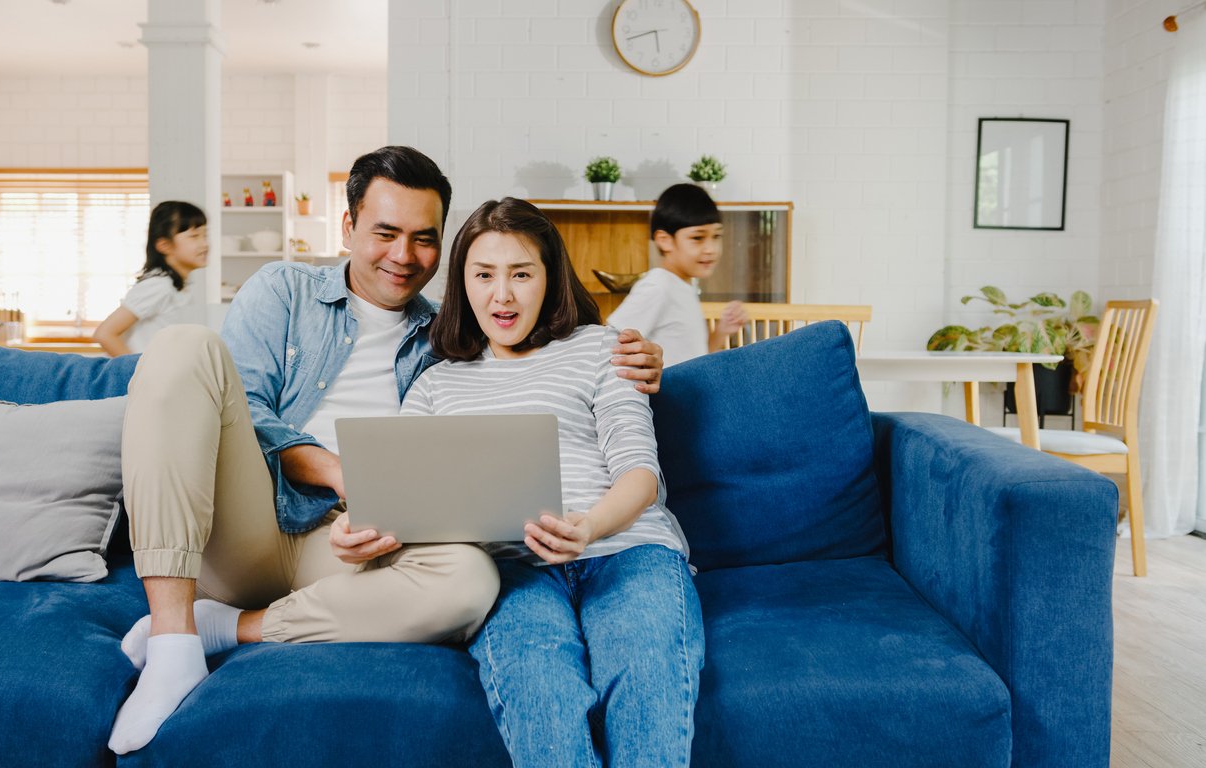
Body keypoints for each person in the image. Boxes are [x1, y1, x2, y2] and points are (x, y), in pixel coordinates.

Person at [107, 147, 667, 755]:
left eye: (424, 239)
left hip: (360, 549)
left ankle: (223, 629)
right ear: (348, 227)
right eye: (385, 233)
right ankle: (171, 643)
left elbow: (482, 426)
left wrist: (645, 358)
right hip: (252, 523)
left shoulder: (451, 339)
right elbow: (243, 413)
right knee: (184, 347)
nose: (404, 256)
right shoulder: (284, 291)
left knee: (474, 579)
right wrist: (341, 475)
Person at [401, 197, 703, 767]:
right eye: (484, 275)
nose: (503, 294)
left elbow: (640, 473)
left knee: (646, 676)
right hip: (511, 571)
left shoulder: (603, 348)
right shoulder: (434, 387)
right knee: (542, 694)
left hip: (628, 551)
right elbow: (413, 504)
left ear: (550, 277)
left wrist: (587, 526)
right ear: (461, 283)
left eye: (521, 273)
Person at [607, 183, 747, 365]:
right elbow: (609, 344)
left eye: (716, 236)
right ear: (665, 241)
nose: (710, 249)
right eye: (697, 238)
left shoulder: (682, 286)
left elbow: (695, 360)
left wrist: (721, 331)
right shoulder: (658, 286)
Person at [94, 201, 207, 357]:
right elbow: (105, 333)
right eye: (194, 236)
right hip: (142, 379)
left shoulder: (177, 287)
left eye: (205, 235)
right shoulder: (158, 285)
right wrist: (138, 373)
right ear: (164, 245)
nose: (205, 244)